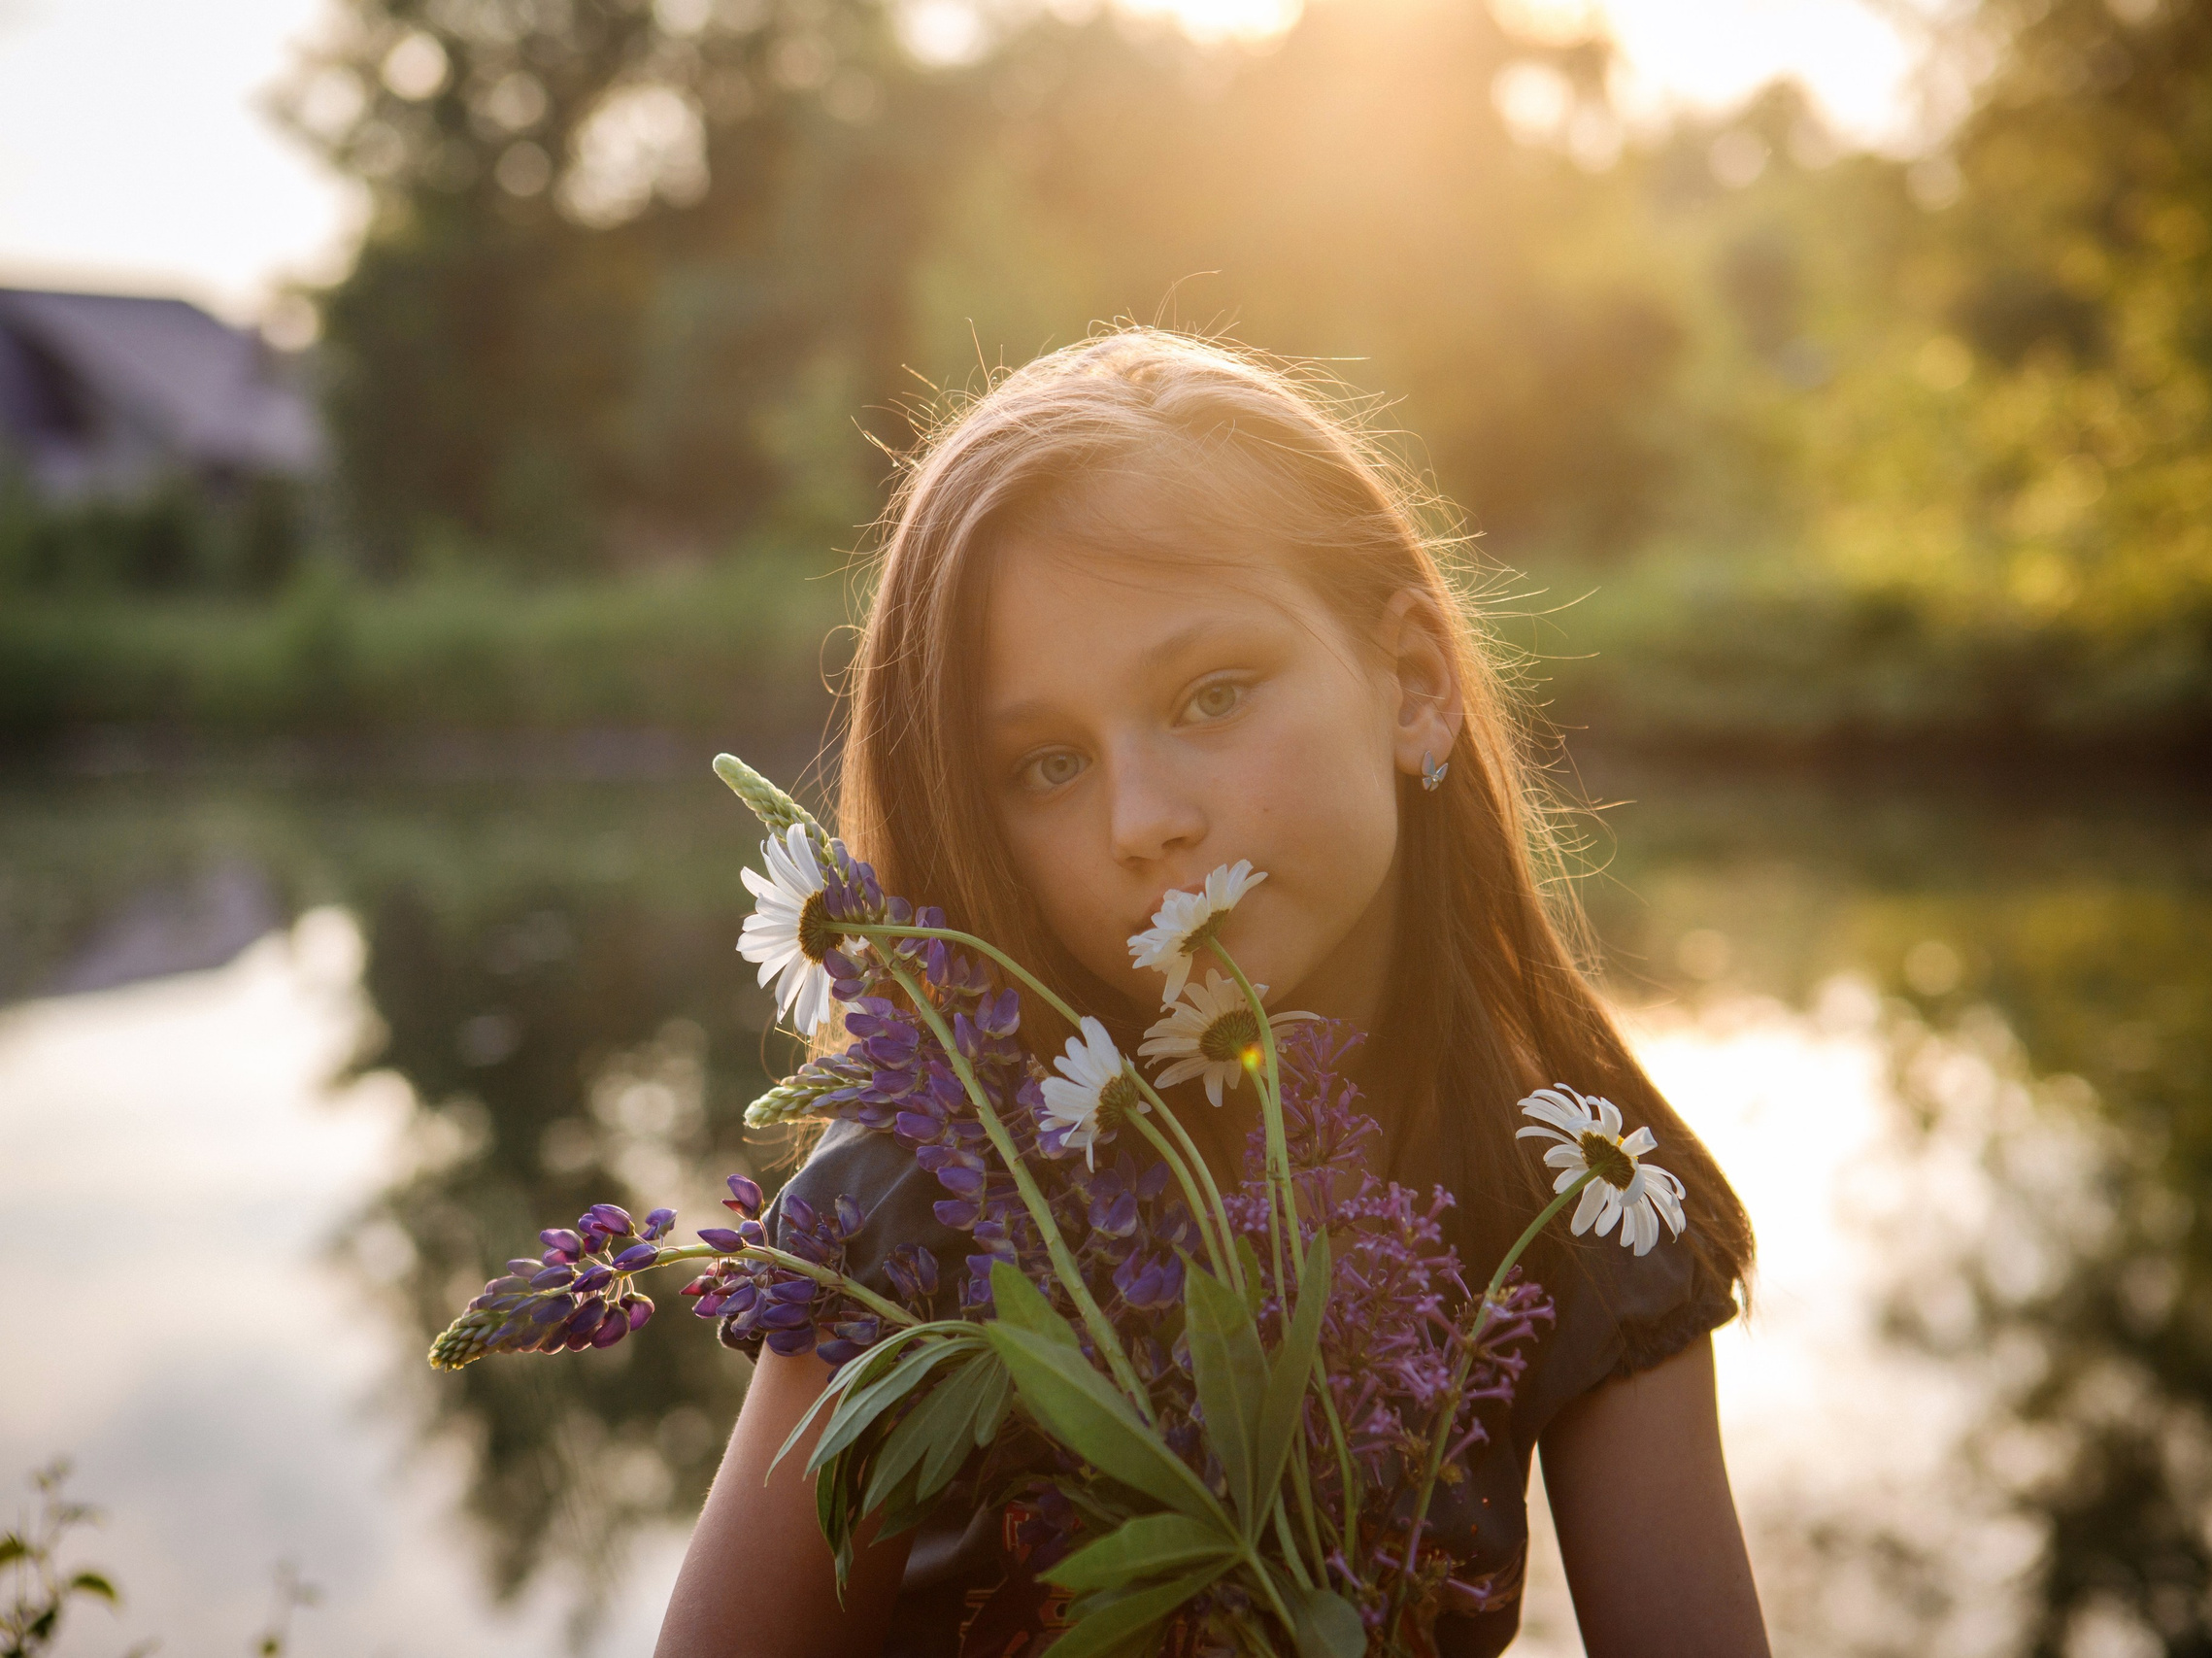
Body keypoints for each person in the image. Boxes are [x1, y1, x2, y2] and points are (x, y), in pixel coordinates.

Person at [656, 328, 1768, 1657]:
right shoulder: (927, 1192)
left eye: (1211, 695)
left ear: (1412, 684)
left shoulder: (1578, 1206)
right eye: (1050, 766)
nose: (1143, 821)